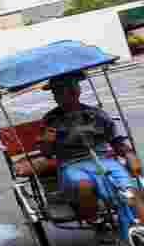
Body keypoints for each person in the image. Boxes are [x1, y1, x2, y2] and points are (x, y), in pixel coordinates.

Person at [34, 73, 143, 232]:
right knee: (83, 185)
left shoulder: (97, 114)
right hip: (71, 164)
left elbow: (116, 141)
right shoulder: (50, 119)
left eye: (61, 91)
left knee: (132, 195)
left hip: (103, 160)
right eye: (55, 93)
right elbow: (46, 153)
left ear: (75, 92)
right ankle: (94, 220)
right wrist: (46, 141)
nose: (57, 96)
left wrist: (130, 155)